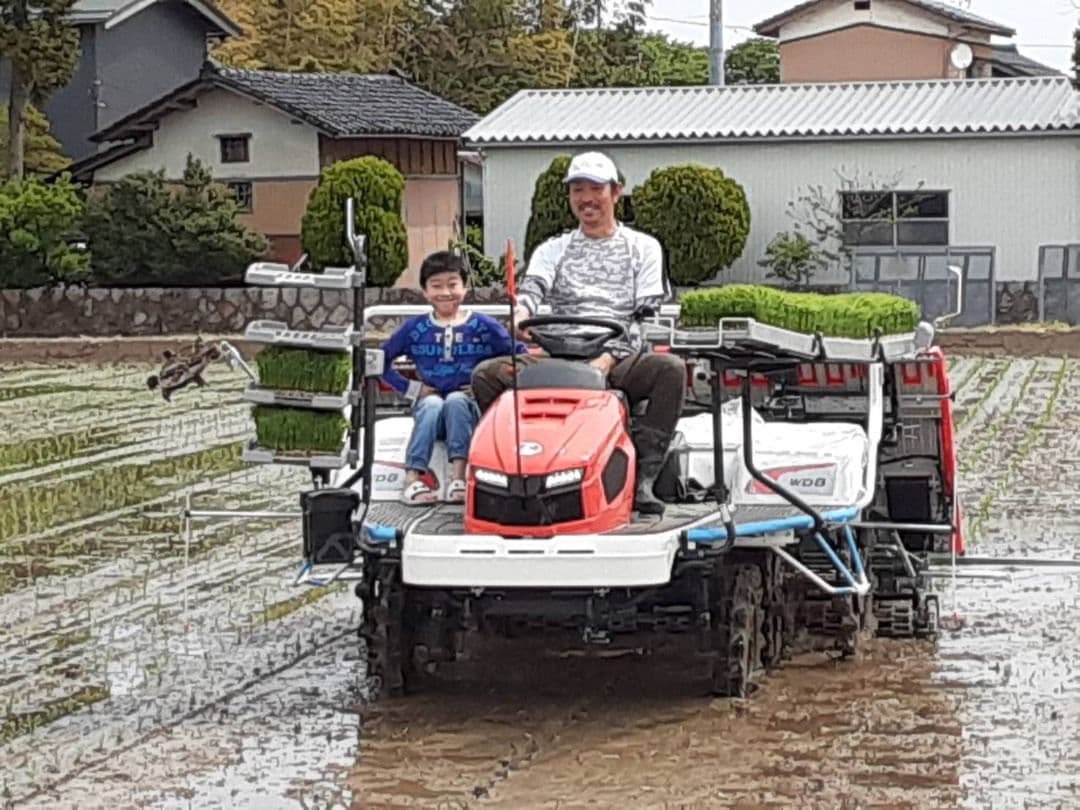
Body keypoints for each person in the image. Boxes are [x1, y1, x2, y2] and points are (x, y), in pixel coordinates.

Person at [471, 151, 686, 516]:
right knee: (486, 376)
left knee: (671, 370)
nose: (587, 198)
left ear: (616, 192)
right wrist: (521, 317)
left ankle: (642, 477)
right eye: (578, 190)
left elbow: (646, 316)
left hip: (616, 354)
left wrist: (607, 359)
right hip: (555, 354)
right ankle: (510, 472)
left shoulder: (644, 248)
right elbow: (532, 292)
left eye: (596, 189)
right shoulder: (552, 249)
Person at [381, 250, 523, 506]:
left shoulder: (485, 326)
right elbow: (379, 361)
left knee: (457, 400)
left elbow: (519, 358)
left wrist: (492, 386)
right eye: (436, 286)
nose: (445, 293)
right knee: (433, 404)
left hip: (470, 411)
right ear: (424, 291)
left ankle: (459, 476)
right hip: (430, 412)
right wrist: (412, 389)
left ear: (465, 287)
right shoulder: (414, 329)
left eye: (452, 285)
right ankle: (412, 477)